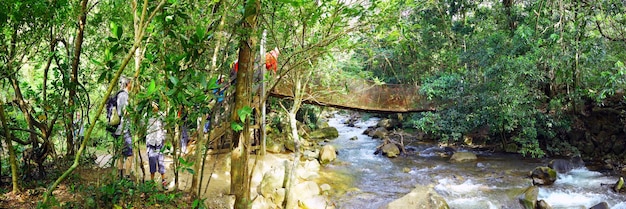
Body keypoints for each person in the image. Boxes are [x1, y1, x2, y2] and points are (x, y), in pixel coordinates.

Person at [113, 77, 133, 179]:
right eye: (131, 83)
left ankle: (120, 176)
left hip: (117, 129)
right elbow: (125, 112)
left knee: (120, 153)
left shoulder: (118, 94)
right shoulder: (124, 95)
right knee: (130, 154)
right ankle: (127, 176)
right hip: (123, 129)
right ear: (128, 84)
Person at [147, 101, 167, 188]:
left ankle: (163, 181)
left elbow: (165, 126)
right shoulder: (147, 115)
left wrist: (163, 138)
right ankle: (152, 183)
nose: (153, 106)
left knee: (161, 162)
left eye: (155, 104)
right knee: (152, 162)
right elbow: (142, 124)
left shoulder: (161, 115)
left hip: (159, 142)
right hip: (151, 142)